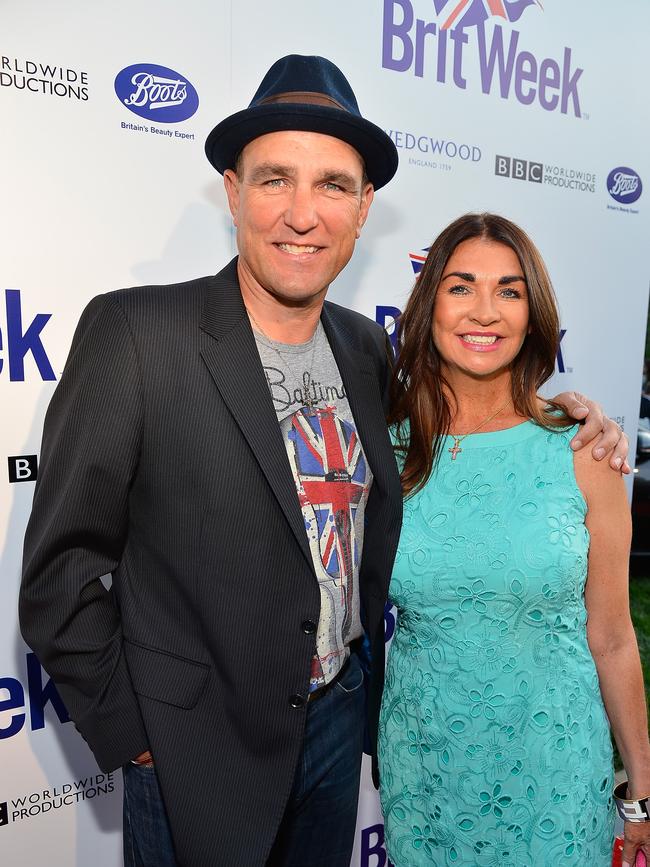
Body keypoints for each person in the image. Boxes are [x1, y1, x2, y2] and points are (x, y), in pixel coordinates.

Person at [19, 55, 626, 867]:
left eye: (333, 186)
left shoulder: (364, 345)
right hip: (197, 746)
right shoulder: (136, 335)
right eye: (275, 179)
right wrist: (135, 734)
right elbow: (60, 572)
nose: (302, 215)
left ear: (365, 206)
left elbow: (461, 427)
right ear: (232, 190)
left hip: (341, 727)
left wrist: (580, 418)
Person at [378, 213, 650, 867]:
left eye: (509, 290)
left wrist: (642, 790)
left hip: (553, 770)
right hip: (427, 770)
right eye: (461, 286)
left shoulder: (582, 447)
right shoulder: (387, 448)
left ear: (533, 316)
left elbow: (612, 635)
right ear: (429, 305)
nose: (485, 311)